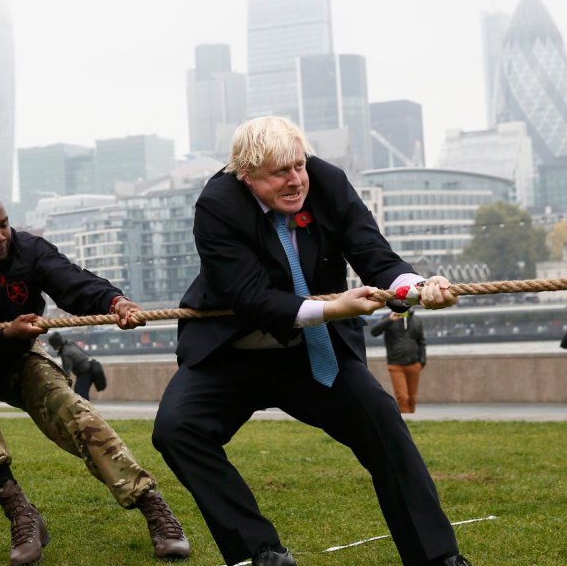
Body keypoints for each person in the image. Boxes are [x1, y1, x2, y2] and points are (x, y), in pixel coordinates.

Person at [151, 117, 471, 566]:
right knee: (176, 430)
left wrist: (416, 287)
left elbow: (373, 255)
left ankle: (437, 559)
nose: (295, 181)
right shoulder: (217, 203)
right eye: (279, 173)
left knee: (383, 424)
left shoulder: (328, 183)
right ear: (245, 175)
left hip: (312, 355)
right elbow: (251, 298)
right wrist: (335, 308)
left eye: (298, 166)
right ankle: (260, 553)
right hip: (232, 354)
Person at [0, 190, 190, 565]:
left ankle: (153, 507)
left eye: (4, 225)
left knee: (76, 412)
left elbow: (73, 282)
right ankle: (20, 512)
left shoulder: (28, 249)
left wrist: (115, 303)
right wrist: (1, 334)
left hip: (21, 357)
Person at [370, 309, 427, 413]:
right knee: (402, 397)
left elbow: (421, 342)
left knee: (412, 399)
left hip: (414, 364)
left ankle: (412, 422)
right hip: (396, 365)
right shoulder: (388, 317)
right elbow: (374, 332)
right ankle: (405, 423)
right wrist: (389, 320)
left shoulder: (416, 320)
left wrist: (422, 361)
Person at [46, 331, 95, 400]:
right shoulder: (69, 343)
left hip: (86, 372)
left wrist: (63, 386)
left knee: (81, 394)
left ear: (55, 345)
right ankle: (84, 409)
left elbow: (66, 372)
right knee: (79, 392)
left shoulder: (65, 353)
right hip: (88, 368)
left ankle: (86, 410)